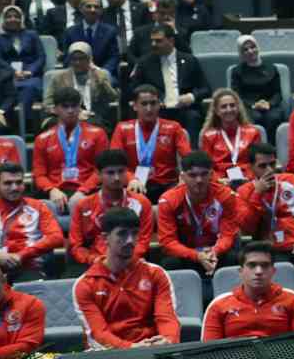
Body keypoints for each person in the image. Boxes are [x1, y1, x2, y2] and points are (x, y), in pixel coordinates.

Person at [73, 206, 181, 348]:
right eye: (122, 234)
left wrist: (167, 340)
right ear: (105, 238)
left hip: (153, 349)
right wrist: (131, 348)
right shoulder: (85, 284)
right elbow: (99, 334)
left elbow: (167, 319)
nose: (130, 240)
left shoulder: (156, 274)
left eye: (134, 233)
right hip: (109, 354)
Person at [0, 160, 65, 279]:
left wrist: (22, 255)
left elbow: (56, 237)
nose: (14, 188)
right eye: (8, 183)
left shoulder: (38, 207)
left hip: (29, 266)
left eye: (19, 182)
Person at [155, 151, 242, 274]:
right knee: (170, 263)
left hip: (216, 253)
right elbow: (167, 242)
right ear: (182, 177)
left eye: (204, 174)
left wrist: (215, 251)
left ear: (211, 174)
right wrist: (196, 255)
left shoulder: (226, 196)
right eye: (192, 175)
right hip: (186, 254)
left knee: (234, 258)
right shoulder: (168, 200)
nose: (199, 180)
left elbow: (228, 235)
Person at [202, 241, 294, 340]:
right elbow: (210, 352)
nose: (258, 271)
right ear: (240, 271)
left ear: (273, 271)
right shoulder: (218, 306)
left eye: (265, 265)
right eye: (252, 265)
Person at [233, 141, 294, 257]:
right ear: (251, 167)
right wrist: (257, 194)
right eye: (263, 166)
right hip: (270, 249)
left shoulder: (291, 181)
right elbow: (247, 228)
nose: (270, 170)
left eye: (272, 164)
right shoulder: (244, 191)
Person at [67, 149, 153, 266]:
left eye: (121, 171)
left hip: (131, 261)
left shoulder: (142, 203)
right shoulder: (83, 206)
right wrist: (94, 260)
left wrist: (124, 259)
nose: (117, 177)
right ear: (98, 174)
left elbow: (143, 241)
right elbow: (76, 245)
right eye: (110, 173)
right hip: (93, 263)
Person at [35, 87, 110, 209]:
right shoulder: (42, 139)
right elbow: (39, 175)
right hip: (55, 192)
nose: (70, 111)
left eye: (74, 106)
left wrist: (83, 190)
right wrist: (51, 190)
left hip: (89, 190)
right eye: (65, 106)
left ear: (80, 108)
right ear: (55, 109)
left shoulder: (98, 134)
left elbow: (101, 170)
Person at [111, 84, 190, 196]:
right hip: (133, 184)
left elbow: (188, 158)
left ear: (159, 104)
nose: (149, 109)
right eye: (144, 104)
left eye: (153, 103)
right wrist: (131, 179)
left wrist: (185, 176)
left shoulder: (174, 127)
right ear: (135, 106)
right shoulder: (122, 129)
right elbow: (115, 162)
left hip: (167, 185)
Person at [199, 88, 265, 185]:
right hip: (220, 183)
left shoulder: (253, 133)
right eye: (224, 107)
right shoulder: (208, 136)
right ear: (217, 111)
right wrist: (218, 180)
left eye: (232, 105)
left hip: (249, 181)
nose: (229, 109)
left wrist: (248, 179)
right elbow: (206, 167)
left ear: (238, 108)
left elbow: (258, 163)